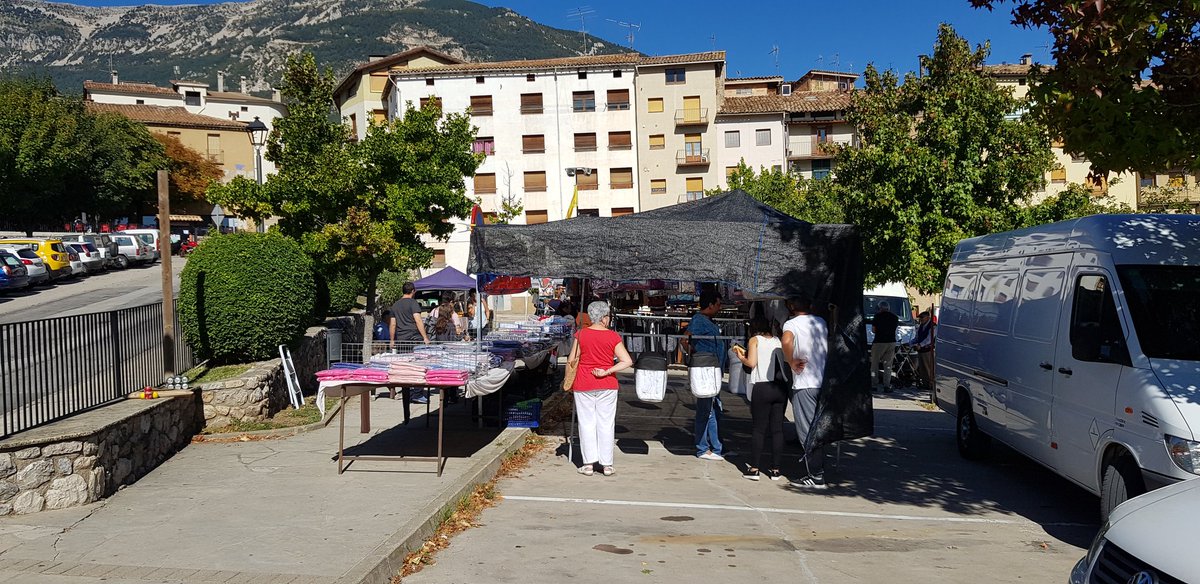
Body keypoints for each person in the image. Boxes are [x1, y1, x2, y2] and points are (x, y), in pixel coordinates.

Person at [566, 301, 633, 477]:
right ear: (603, 318)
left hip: (583, 383)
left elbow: (572, 360)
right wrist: (607, 370)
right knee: (606, 423)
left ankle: (588, 464)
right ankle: (607, 465)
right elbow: (627, 361)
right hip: (607, 384)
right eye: (608, 316)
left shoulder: (581, 335)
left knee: (586, 423)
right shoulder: (613, 337)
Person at [781, 294, 829, 489]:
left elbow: (786, 341)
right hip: (822, 381)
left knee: (807, 430)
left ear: (791, 307)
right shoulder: (821, 322)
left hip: (804, 383)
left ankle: (816, 475)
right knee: (819, 427)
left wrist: (790, 360)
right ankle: (817, 470)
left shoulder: (790, 324)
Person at [733, 317, 785, 481]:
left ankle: (754, 468)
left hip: (762, 386)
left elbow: (752, 363)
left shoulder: (755, 340)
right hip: (780, 387)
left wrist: (740, 356)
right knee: (777, 429)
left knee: (759, 429)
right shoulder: (779, 340)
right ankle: (776, 469)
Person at [683, 289, 728, 461]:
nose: (719, 307)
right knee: (705, 410)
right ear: (710, 305)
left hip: (713, 370)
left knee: (715, 409)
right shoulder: (698, 320)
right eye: (718, 304)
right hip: (705, 370)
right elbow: (685, 339)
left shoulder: (708, 320)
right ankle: (703, 448)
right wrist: (696, 355)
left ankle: (717, 447)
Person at [870, 301, 899, 393]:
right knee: (888, 365)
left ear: (880, 308)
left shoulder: (877, 317)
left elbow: (874, 330)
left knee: (874, 364)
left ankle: (874, 385)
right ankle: (887, 385)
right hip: (891, 342)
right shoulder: (895, 317)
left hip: (879, 342)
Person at [389, 282, 430, 347]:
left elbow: (393, 324)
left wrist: (392, 340)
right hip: (413, 337)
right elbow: (418, 321)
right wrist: (425, 337)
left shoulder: (395, 305)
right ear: (413, 291)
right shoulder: (413, 303)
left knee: (403, 356)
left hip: (401, 339)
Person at [910, 310, 936, 391]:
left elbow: (929, 339)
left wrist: (920, 345)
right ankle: (925, 383)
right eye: (920, 318)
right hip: (920, 350)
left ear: (928, 317)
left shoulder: (933, 326)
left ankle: (931, 384)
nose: (921, 319)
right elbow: (917, 338)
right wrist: (911, 343)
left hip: (928, 350)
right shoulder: (920, 326)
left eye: (922, 318)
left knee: (928, 368)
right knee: (922, 368)